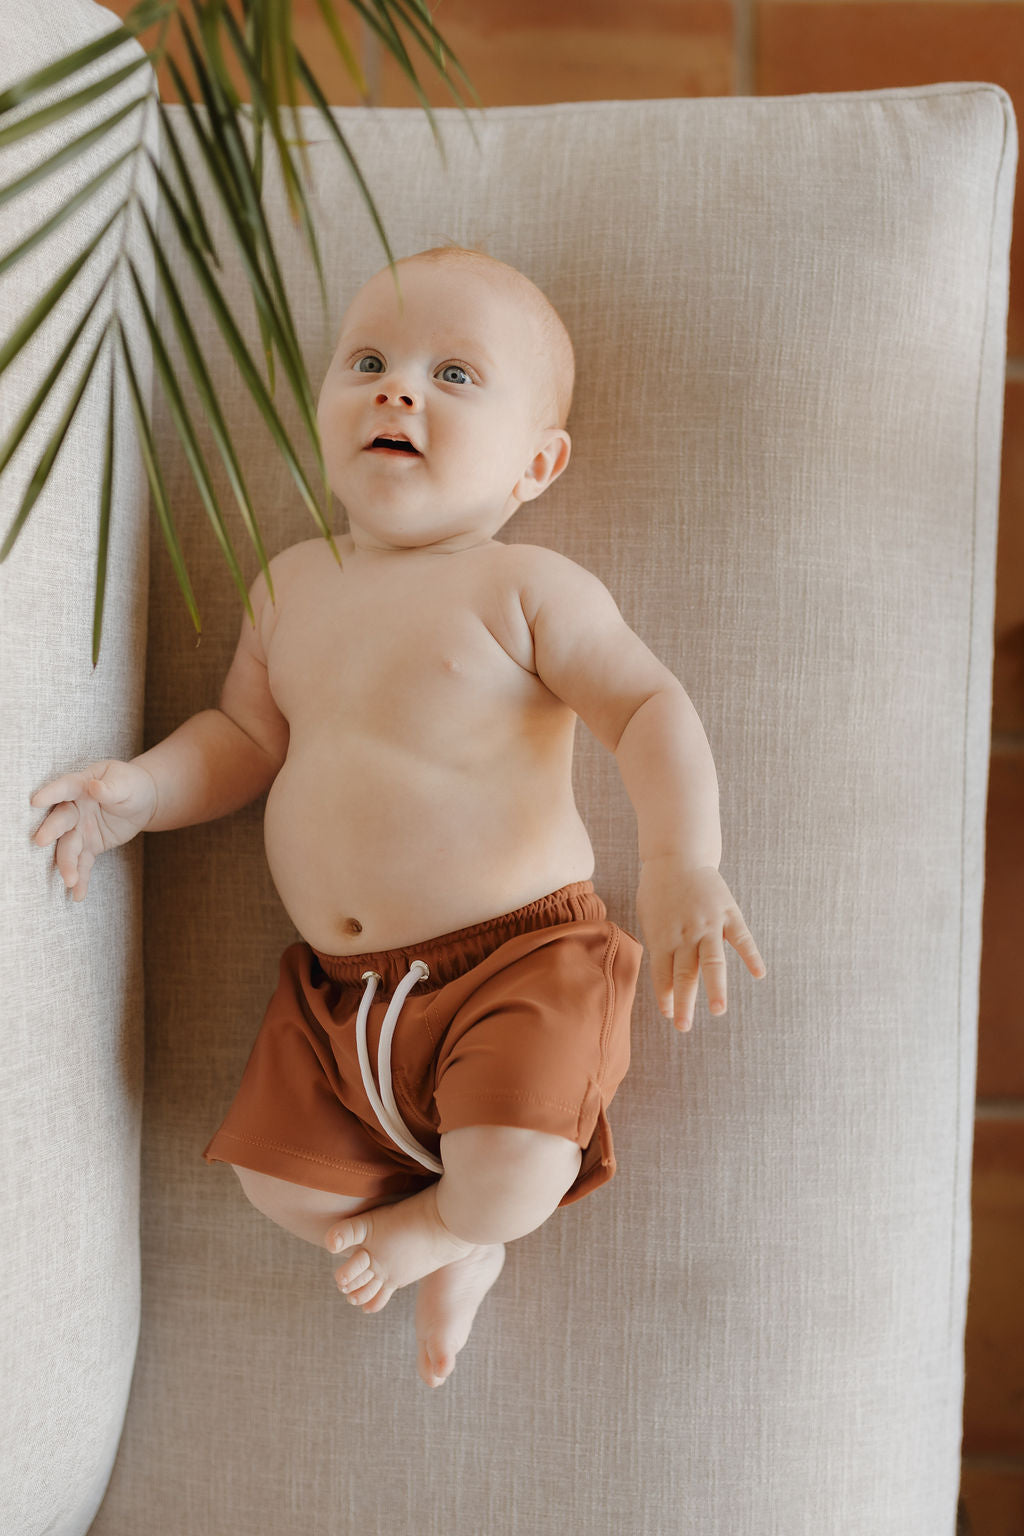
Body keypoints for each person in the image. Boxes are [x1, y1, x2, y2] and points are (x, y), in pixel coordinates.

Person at [30, 246, 765, 1389]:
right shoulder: (291, 585)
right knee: (275, 1181)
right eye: (366, 360)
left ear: (537, 462)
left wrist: (682, 861)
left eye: (454, 375)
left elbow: (645, 705)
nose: (397, 388)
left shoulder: (525, 586)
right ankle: (459, 1229)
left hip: (518, 963)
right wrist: (142, 793)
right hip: (342, 998)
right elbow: (244, 743)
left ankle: (457, 1230)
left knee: (522, 1162)